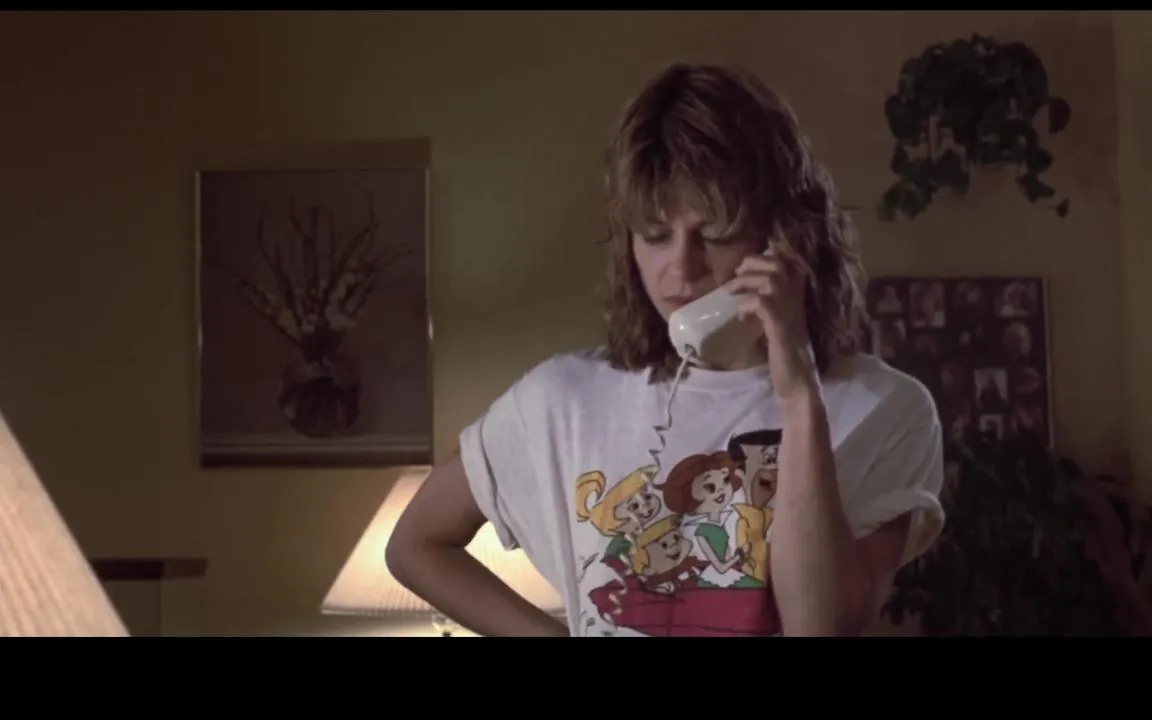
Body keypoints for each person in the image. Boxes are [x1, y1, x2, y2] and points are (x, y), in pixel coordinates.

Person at [385, 61, 946, 637]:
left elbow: (820, 629)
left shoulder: (884, 409)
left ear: (783, 236)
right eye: (655, 234)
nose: (681, 267)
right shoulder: (561, 399)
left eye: (715, 234)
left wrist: (799, 395)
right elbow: (414, 546)